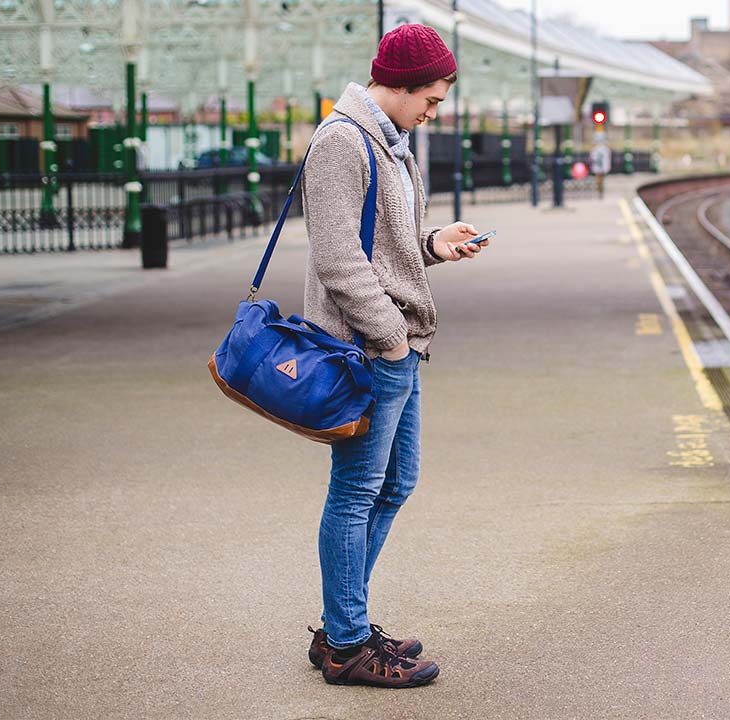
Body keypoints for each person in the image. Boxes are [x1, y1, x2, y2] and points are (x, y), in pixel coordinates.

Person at [300, 23, 487, 688]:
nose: (433, 112)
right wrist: (388, 335)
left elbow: (386, 242)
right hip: (368, 349)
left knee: (394, 483)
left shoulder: (388, 140)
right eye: (430, 100)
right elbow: (337, 255)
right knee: (355, 493)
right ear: (400, 86)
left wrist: (434, 244)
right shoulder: (342, 141)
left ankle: (340, 622)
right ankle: (346, 642)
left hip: (395, 345)